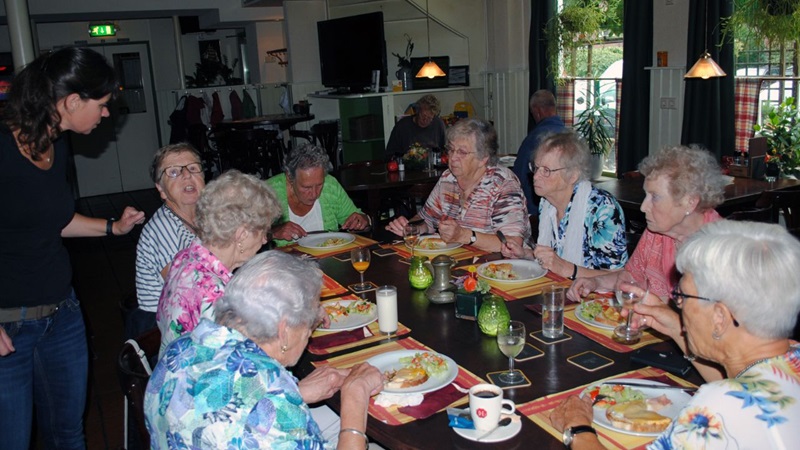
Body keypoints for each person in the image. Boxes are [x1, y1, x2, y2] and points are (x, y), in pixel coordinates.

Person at [0, 47, 146, 450]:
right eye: (101, 105)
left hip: (61, 315)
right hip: (9, 325)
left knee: (68, 434)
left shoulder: (56, 143)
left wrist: (113, 227)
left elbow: (54, 219)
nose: (105, 115)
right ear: (71, 101)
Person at [551, 220, 800, 449]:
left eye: (682, 297)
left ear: (720, 317)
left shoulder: (718, 407)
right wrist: (674, 326)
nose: (677, 306)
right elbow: (744, 382)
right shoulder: (791, 360)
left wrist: (578, 428)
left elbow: (730, 398)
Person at [145, 251, 384, 449]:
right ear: (285, 331)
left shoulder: (181, 347)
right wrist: (356, 397)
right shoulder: (275, 402)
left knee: (331, 417)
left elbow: (222, 408)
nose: (310, 332)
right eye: (310, 323)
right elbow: (259, 417)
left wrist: (296, 392)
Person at [568, 145, 728, 301]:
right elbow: (631, 276)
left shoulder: (720, 251)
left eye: (655, 197)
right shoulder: (656, 232)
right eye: (646, 195)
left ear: (690, 202)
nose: (644, 207)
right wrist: (596, 282)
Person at [156, 169, 281, 354]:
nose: (265, 240)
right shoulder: (217, 299)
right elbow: (245, 363)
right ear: (242, 235)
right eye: (264, 232)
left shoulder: (186, 257)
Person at [386, 118, 531, 252]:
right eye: (451, 149)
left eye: (462, 152)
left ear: (483, 159)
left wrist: (464, 235)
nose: (453, 157)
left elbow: (511, 244)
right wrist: (410, 228)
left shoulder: (503, 184)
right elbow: (427, 220)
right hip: (460, 264)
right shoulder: (448, 179)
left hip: (502, 270)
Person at [501, 130, 627, 280]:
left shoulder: (602, 209)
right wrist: (524, 254)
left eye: (547, 170)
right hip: (560, 290)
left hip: (595, 300)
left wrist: (567, 269)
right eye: (536, 168)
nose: (535, 176)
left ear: (573, 175)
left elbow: (618, 277)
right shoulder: (547, 204)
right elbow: (551, 260)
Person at [131, 143, 206, 339]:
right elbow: (185, 289)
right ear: (161, 190)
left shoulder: (206, 217)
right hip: (162, 329)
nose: (187, 175)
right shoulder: (163, 227)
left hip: (194, 315)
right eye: (173, 172)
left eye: (193, 168)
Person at [267, 143, 369, 245]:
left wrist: (362, 220)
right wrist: (274, 232)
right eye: (306, 187)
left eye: (320, 184)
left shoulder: (330, 186)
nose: (314, 194)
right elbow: (251, 235)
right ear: (290, 178)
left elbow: (358, 218)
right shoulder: (268, 192)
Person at [512, 90, 566, 216]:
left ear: (537, 111)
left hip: (537, 210)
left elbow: (518, 176)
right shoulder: (568, 136)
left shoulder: (535, 138)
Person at [385, 93, 447, 160]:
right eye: (423, 115)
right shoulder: (402, 126)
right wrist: (404, 157)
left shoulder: (438, 124)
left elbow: (445, 150)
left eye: (429, 118)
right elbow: (390, 154)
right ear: (417, 111)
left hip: (432, 166)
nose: (425, 120)